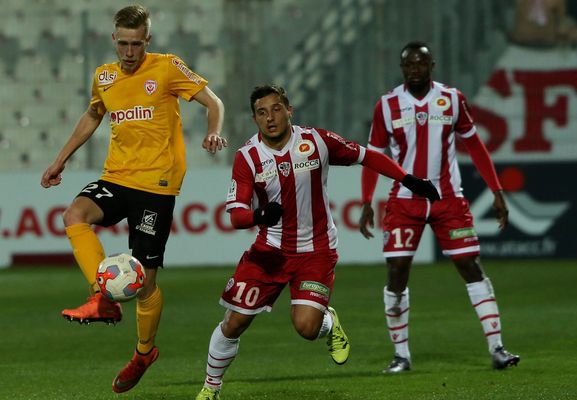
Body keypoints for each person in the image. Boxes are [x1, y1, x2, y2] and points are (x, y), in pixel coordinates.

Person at [195, 84, 439, 400]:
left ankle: (328, 320)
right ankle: (211, 387)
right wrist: (260, 216)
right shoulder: (248, 156)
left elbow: (367, 156)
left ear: (289, 110)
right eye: (262, 112)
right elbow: (236, 214)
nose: (270, 118)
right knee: (234, 322)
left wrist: (408, 180)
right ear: (254, 118)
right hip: (269, 251)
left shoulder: (317, 141)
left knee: (307, 328)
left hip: (317, 252)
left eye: (276, 109)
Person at [40, 5, 226, 394]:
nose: (129, 52)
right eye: (123, 44)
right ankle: (101, 297)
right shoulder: (103, 76)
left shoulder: (168, 67)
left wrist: (212, 132)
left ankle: (143, 353)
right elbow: (93, 115)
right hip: (117, 176)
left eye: (136, 44)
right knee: (75, 213)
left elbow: (214, 103)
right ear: (114, 40)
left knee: (145, 282)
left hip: (156, 185)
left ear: (148, 41)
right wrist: (59, 160)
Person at [359, 41, 520, 374]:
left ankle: (497, 348)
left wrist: (496, 190)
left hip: (448, 200)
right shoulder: (387, 105)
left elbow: (475, 145)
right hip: (405, 201)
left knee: (471, 267)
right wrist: (366, 201)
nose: (414, 69)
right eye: (409, 65)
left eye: (421, 63)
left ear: (432, 64)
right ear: (402, 69)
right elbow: (373, 156)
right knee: (397, 272)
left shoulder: (452, 99)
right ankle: (401, 355)